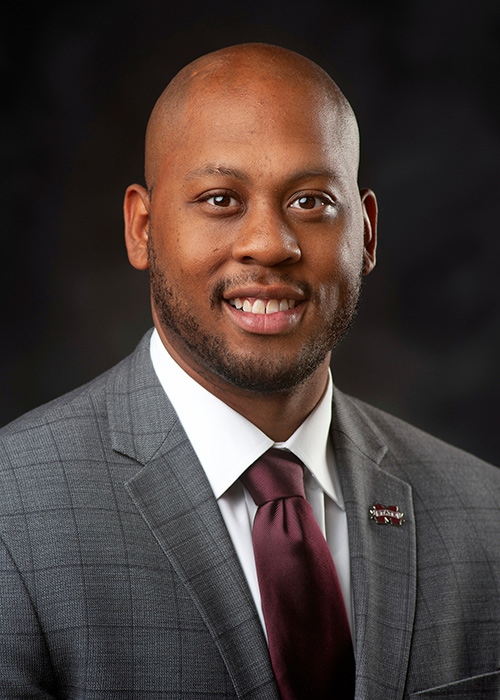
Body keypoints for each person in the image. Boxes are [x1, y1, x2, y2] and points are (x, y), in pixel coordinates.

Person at [0, 42, 499, 700]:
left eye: (311, 201)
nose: (269, 243)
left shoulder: (484, 515)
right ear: (142, 228)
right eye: (219, 199)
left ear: (368, 234)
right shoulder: (15, 513)